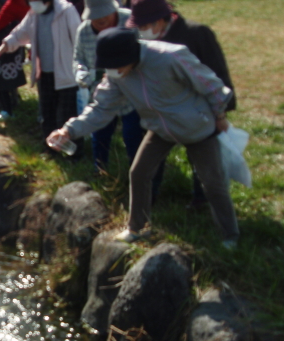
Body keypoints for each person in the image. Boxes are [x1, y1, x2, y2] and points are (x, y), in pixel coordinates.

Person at [47, 27, 240, 249]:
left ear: (132, 55)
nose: (115, 71)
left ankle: (230, 235)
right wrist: (69, 130)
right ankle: (137, 228)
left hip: (196, 126)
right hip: (160, 128)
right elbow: (101, 108)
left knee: (213, 182)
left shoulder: (170, 57)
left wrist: (219, 114)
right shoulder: (116, 74)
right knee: (139, 173)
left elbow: (210, 84)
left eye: (118, 65)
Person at [126, 0, 237, 210]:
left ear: (159, 21)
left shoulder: (196, 33)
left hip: (198, 112)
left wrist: (220, 112)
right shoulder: (142, 40)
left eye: (143, 26)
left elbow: (217, 72)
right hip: (160, 113)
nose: (140, 32)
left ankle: (201, 200)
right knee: (149, 162)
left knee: (204, 162)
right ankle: (150, 200)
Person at [0, 0, 82, 156]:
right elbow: (17, 36)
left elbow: (79, 39)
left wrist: (83, 68)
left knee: (66, 115)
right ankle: (51, 151)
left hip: (66, 73)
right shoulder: (33, 15)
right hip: (44, 73)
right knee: (47, 114)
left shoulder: (66, 11)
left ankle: (74, 154)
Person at [74, 0, 145, 171]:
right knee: (99, 135)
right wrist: (80, 73)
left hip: (132, 94)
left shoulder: (130, 21)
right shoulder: (83, 31)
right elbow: (78, 58)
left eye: (103, 14)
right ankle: (101, 174)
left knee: (132, 135)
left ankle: (137, 176)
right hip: (101, 94)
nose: (99, 19)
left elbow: (146, 51)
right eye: (94, 16)